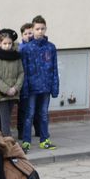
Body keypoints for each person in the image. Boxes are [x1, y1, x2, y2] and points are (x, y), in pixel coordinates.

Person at [20, 15, 59, 151]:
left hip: (46, 87)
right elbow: (23, 70)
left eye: (42, 28)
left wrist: (55, 87)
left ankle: (44, 139)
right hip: (31, 87)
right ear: (33, 29)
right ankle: (26, 141)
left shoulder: (51, 47)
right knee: (29, 114)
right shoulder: (26, 49)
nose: (40, 31)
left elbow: (54, 68)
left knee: (43, 114)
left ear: (46, 29)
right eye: (37, 29)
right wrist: (24, 88)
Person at [0, 29, 24, 137]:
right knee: (4, 119)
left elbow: (21, 73)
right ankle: (7, 141)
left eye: (9, 43)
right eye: (5, 43)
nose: (7, 46)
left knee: (8, 117)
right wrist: (7, 89)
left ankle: (5, 140)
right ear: (0, 43)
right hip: (1, 93)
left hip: (13, 92)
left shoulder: (16, 56)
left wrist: (15, 88)